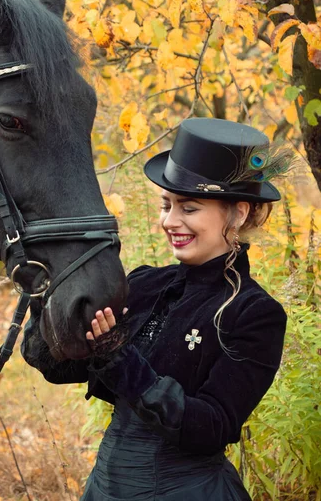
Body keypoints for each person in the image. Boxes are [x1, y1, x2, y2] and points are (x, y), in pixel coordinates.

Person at [21, 118, 290, 501]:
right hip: (105, 488)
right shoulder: (146, 283)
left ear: (239, 213)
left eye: (189, 208)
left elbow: (211, 427)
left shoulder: (252, 313)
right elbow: (65, 368)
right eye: (166, 205)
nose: (170, 221)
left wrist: (123, 363)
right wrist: (44, 297)